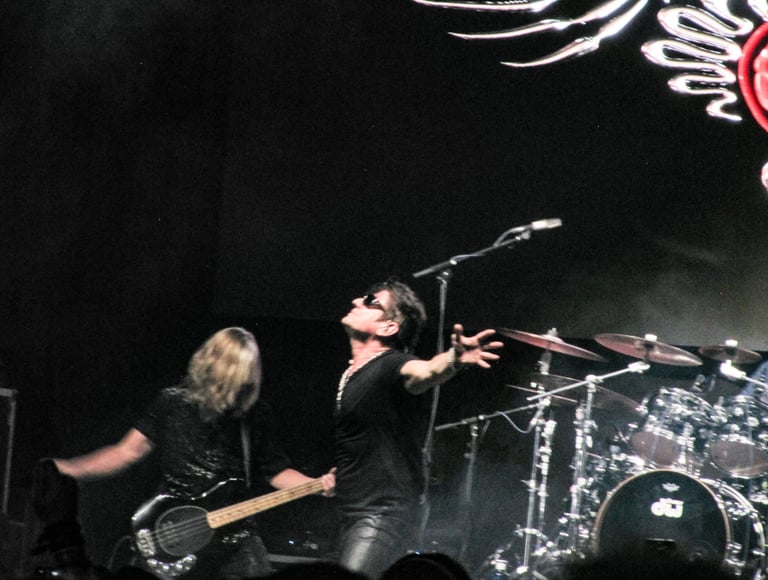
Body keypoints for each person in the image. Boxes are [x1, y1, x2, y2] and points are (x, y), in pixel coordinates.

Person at [52, 327, 336, 580]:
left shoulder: (255, 414)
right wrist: (72, 469)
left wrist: (317, 484)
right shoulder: (171, 403)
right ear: (210, 365)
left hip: (235, 535)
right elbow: (125, 452)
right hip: (174, 532)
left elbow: (277, 472)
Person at [334, 278, 503, 578]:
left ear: (389, 327)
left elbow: (425, 371)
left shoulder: (391, 364)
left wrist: (454, 359)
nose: (357, 301)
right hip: (352, 513)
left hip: (383, 515)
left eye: (371, 302)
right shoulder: (352, 372)